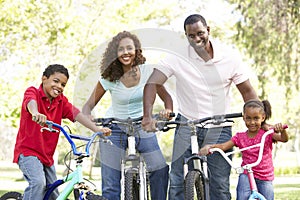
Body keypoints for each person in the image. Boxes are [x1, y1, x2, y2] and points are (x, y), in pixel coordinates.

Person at [142, 14, 259, 200]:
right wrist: (147, 115)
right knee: (177, 179)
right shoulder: (178, 57)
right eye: (191, 36)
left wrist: (258, 121)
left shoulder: (229, 57)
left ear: (208, 30)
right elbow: (152, 84)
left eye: (200, 33)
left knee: (219, 184)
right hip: (186, 124)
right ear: (186, 36)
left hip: (220, 127)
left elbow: (248, 93)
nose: (197, 39)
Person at [82, 31, 173, 200]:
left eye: (129, 48)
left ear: (137, 50)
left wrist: (167, 110)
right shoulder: (108, 78)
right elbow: (87, 106)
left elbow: (167, 97)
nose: (125, 52)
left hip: (143, 125)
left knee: (159, 168)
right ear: (114, 54)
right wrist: (88, 115)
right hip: (114, 127)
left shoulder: (148, 72)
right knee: (110, 183)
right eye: (121, 49)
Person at [13, 64, 111, 200]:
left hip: (47, 157)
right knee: (38, 183)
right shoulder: (33, 92)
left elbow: (77, 114)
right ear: (44, 79)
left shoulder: (61, 102)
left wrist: (97, 129)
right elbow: (30, 102)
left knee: (54, 193)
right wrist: (35, 113)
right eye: (56, 81)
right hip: (28, 152)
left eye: (63, 84)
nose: (59, 86)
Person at [200, 99, 289, 200]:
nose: (252, 122)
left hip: (265, 176)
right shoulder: (239, 137)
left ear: (263, 117)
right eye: (248, 118)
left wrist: (282, 130)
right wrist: (210, 147)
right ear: (244, 118)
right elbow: (224, 146)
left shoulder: (267, 134)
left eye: (256, 118)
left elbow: (284, 139)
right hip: (246, 174)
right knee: (242, 196)